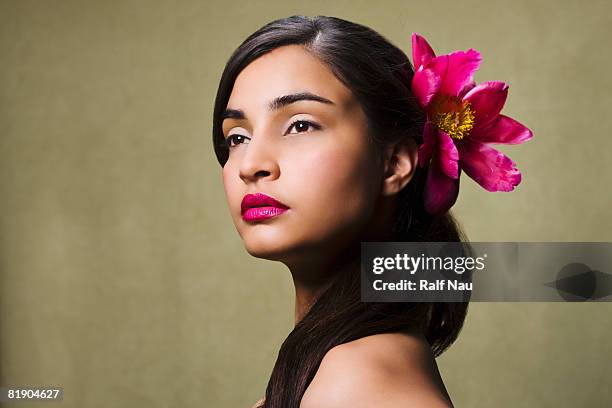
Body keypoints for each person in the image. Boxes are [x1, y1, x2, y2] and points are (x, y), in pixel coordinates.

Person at [212, 15, 470, 408]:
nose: (251, 165)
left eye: (300, 125)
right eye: (237, 137)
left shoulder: (357, 380)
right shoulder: (341, 366)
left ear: (395, 162)